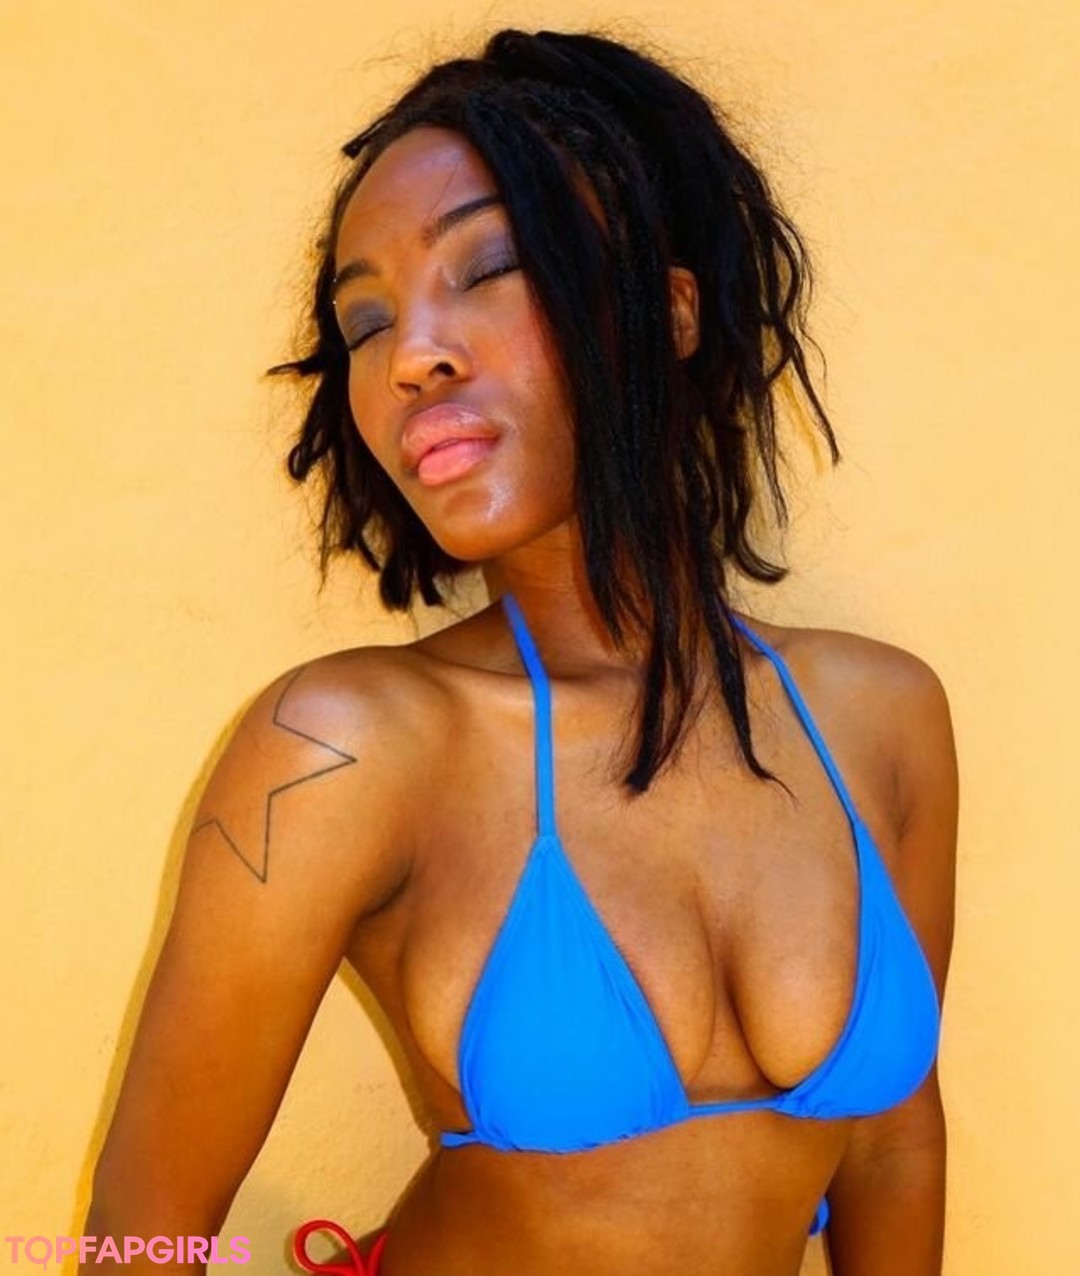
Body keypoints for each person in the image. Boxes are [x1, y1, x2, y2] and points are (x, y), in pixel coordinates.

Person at [81, 26, 958, 1276]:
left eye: (487, 266)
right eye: (365, 322)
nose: (410, 358)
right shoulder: (342, 747)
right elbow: (138, 1239)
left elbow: (892, 1145)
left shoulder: (883, 715)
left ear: (671, 311)